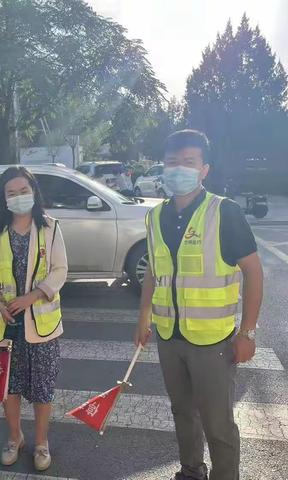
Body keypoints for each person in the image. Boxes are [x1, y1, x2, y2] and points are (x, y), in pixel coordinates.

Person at [134, 130, 263, 480]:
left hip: (213, 342)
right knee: (181, 412)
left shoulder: (224, 212)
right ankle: (191, 471)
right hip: (169, 337)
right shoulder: (155, 216)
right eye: (172, 162)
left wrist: (247, 333)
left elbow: (253, 271)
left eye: (188, 163)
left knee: (217, 422)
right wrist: (143, 317)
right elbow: (153, 271)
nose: (179, 169)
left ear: (204, 169)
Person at [0, 166, 67, 471]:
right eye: (11, 193)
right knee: (9, 387)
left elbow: (60, 270)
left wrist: (33, 296)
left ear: (34, 192)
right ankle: (15, 437)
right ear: (3, 199)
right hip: (5, 322)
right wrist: (0, 301)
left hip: (41, 325)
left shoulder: (51, 227)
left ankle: (41, 443)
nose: (18, 197)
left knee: (42, 388)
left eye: (23, 191)